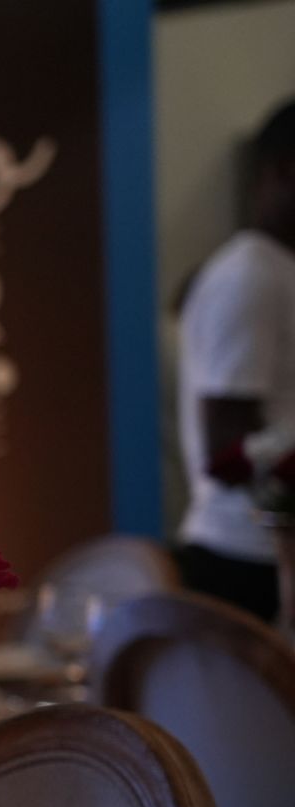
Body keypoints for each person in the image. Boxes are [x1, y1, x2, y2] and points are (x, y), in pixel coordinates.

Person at [176, 97, 295, 623]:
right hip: (249, 562)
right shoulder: (251, 276)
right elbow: (228, 445)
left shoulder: (277, 270)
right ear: (285, 170)